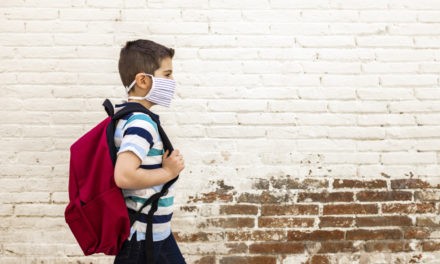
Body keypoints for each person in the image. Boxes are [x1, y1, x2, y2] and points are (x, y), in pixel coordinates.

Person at [112, 39, 186, 264]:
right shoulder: (140, 123)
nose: (172, 81)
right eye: (167, 74)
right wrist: (168, 172)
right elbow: (123, 176)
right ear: (143, 80)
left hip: (154, 230)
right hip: (143, 237)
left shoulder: (129, 116)